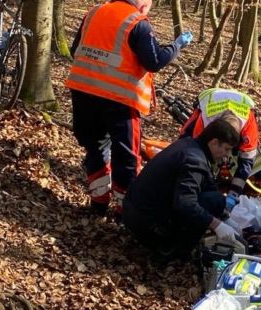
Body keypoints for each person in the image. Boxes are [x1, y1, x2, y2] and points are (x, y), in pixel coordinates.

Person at [66, 0, 194, 216]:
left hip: (83, 90)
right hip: (119, 99)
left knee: (95, 145)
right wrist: (178, 45)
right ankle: (124, 210)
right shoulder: (137, 23)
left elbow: (74, 50)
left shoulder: (95, 12)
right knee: (126, 154)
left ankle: (98, 202)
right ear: (143, 5)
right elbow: (154, 61)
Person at [122, 118, 243, 260]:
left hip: (134, 212)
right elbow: (185, 203)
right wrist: (216, 225)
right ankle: (173, 249)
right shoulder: (195, 160)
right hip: (148, 225)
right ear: (214, 142)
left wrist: (225, 217)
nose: (227, 155)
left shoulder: (189, 146)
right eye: (227, 149)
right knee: (213, 201)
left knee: (216, 200)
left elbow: (207, 185)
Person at [179, 88, 261, 198]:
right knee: (185, 146)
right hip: (210, 102)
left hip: (240, 106)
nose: (226, 154)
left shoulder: (248, 124)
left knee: (257, 165)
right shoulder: (204, 121)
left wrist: (234, 194)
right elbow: (196, 151)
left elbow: (247, 161)